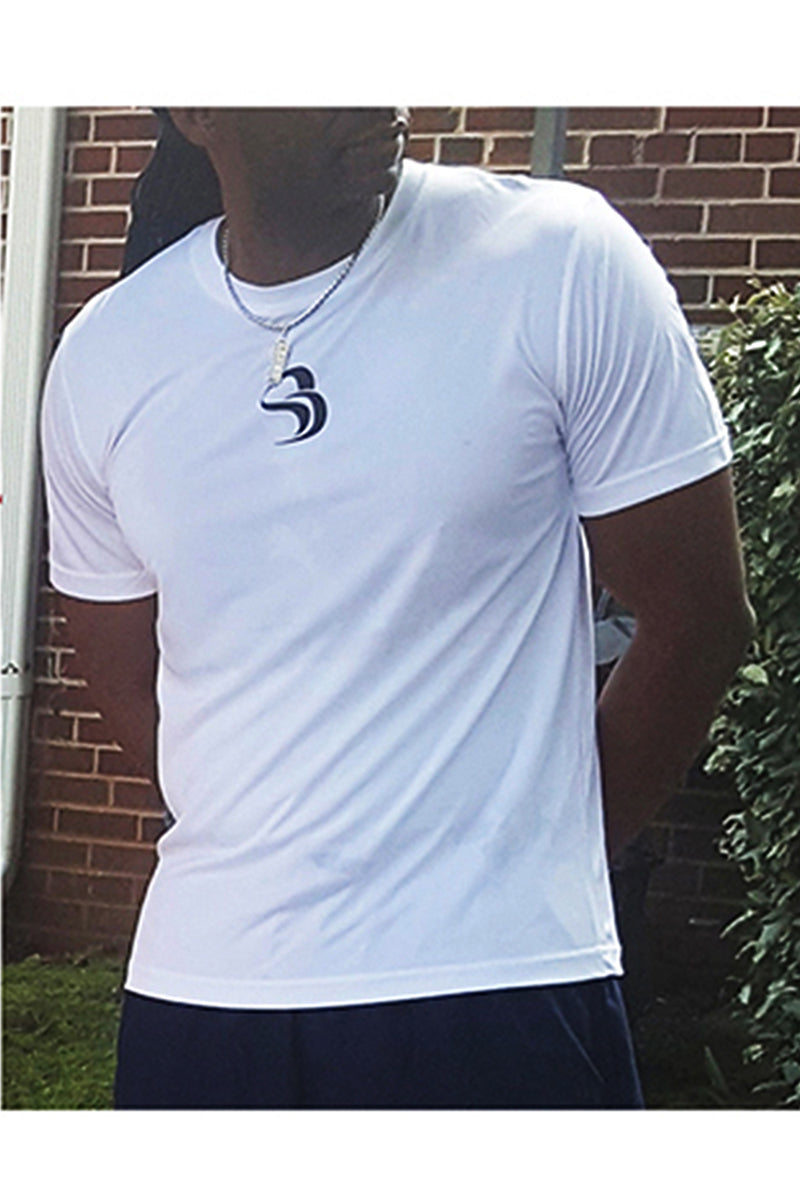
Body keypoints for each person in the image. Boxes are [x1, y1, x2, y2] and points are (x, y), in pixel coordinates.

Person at [40, 107, 754, 1109]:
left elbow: (696, 619)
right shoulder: (108, 355)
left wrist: (538, 860)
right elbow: (130, 681)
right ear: (194, 106)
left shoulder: (553, 260)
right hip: (204, 993)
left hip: (499, 984)